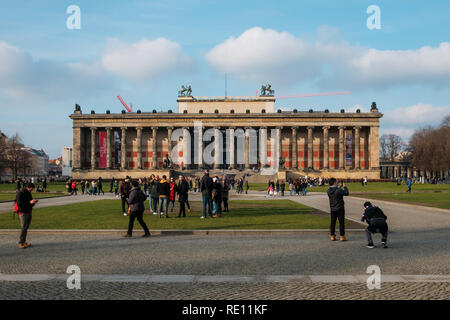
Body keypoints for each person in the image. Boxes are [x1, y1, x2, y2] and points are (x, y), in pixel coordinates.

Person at [16, 183, 38, 249]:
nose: (32, 190)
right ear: (28, 187)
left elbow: (29, 202)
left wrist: (33, 202)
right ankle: (20, 243)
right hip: (23, 212)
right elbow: (20, 204)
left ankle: (24, 242)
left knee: (26, 228)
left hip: (28, 211)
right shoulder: (20, 193)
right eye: (32, 189)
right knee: (23, 228)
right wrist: (29, 203)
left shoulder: (28, 193)